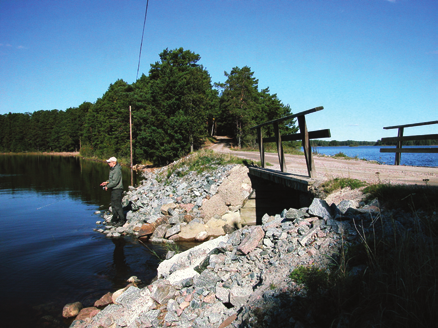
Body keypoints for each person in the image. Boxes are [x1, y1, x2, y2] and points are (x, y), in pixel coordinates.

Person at [100, 157, 125, 227]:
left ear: (114, 162)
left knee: (117, 205)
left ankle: (122, 220)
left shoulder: (117, 170)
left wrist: (107, 186)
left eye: (109, 162)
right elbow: (112, 180)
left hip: (117, 189)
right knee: (113, 205)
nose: (108, 163)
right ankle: (114, 219)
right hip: (114, 189)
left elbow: (115, 182)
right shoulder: (113, 169)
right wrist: (106, 182)